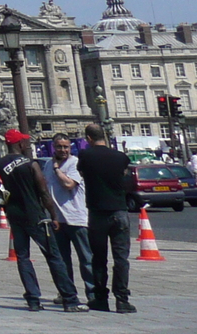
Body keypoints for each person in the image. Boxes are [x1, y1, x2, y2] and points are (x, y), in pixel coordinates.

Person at [0, 130, 86, 313]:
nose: (26, 145)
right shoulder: (31, 164)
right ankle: (70, 300)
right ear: (19, 144)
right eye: (24, 142)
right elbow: (43, 192)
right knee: (53, 256)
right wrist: (53, 215)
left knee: (23, 257)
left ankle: (33, 299)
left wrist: (0, 192)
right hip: (35, 215)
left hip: (14, 214)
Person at [77, 122, 137, 314]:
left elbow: (82, 173)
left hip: (97, 212)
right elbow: (125, 176)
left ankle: (100, 298)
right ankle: (122, 299)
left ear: (88, 139)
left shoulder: (85, 155)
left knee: (99, 258)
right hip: (119, 211)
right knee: (121, 258)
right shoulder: (121, 157)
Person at [41, 134, 91, 304]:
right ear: (53, 147)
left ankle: (92, 294)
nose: (63, 150)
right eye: (59, 146)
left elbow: (68, 184)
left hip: (77, 218)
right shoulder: (47, 164)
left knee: (86, 259)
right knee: (62, 261)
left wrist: (57, 169)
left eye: (66, 147)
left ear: (70, 147)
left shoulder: (75, 163)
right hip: (57, 220)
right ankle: (67, 293)